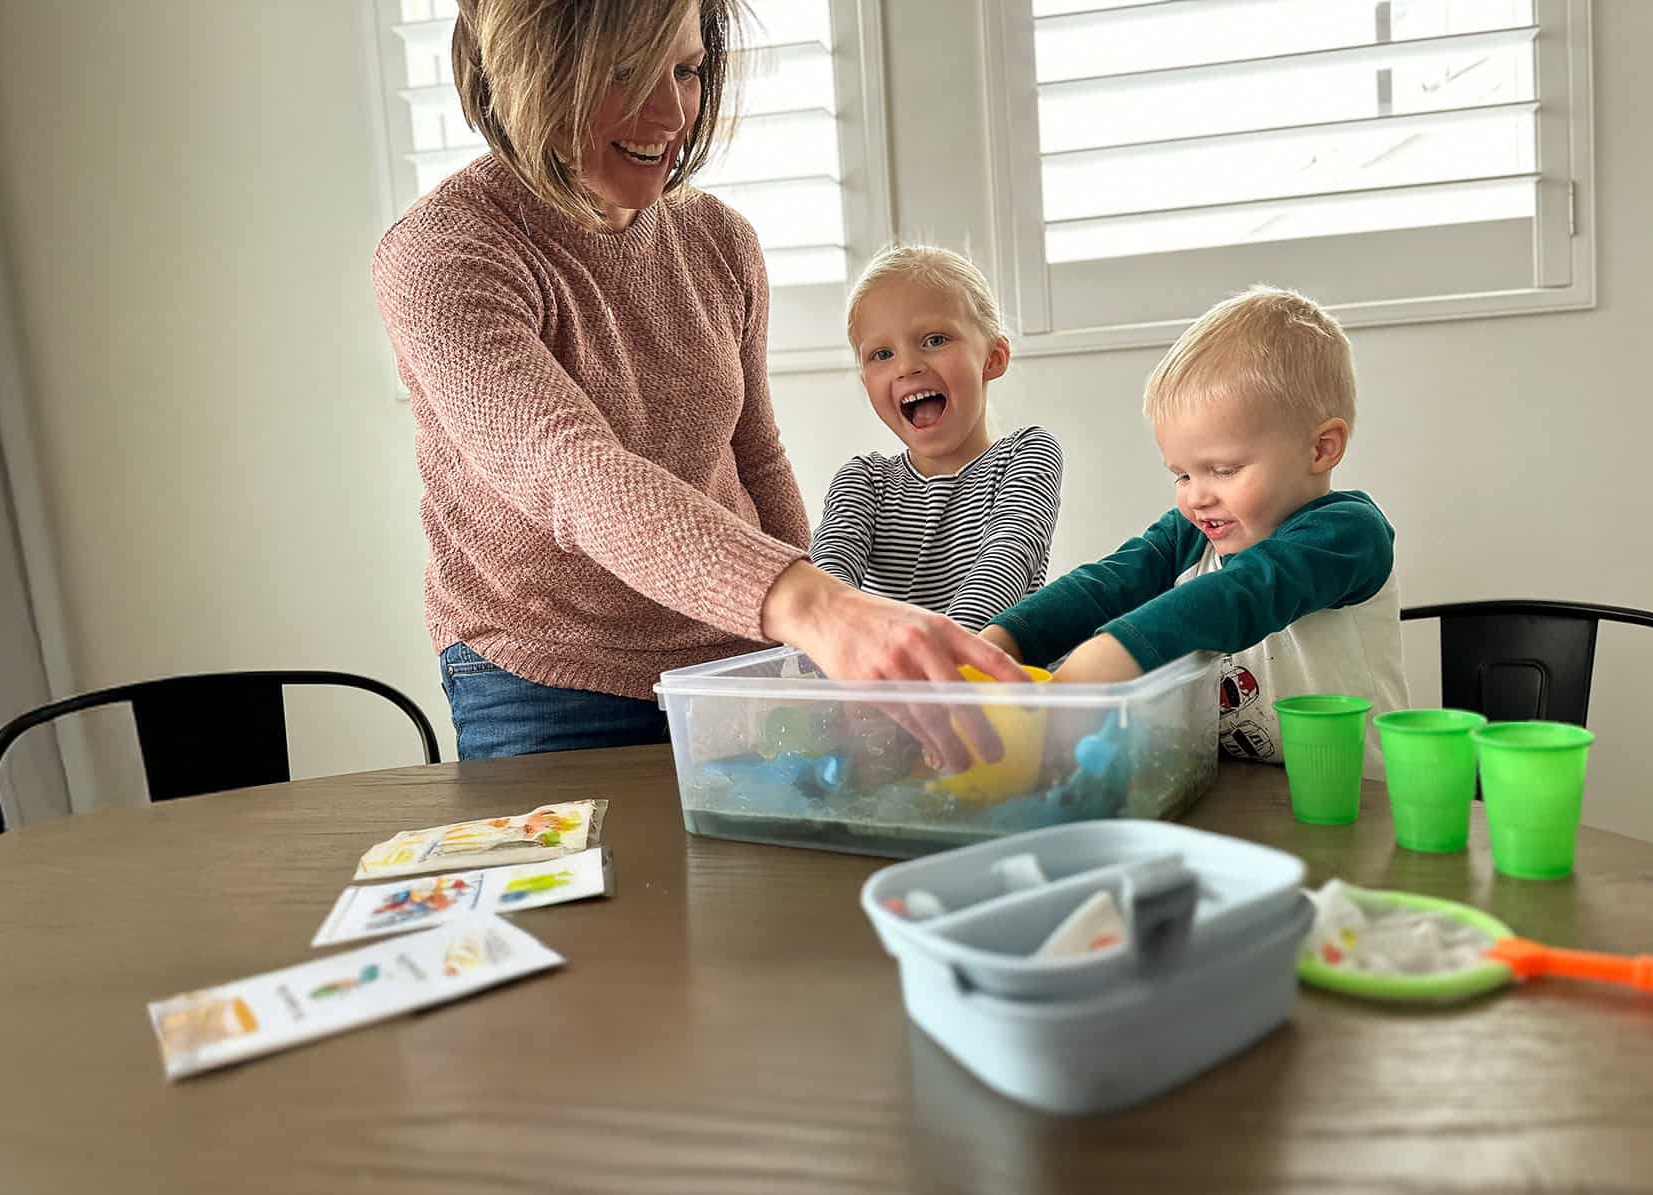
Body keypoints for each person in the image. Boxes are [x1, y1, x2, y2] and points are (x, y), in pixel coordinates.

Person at [375, 0, 1017, 765]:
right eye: (624, 73)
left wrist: (804, 650)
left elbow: (757, 459)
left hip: (729, 663)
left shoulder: (721, 241)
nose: (672, 110)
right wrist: (816, 608)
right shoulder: (443, 253)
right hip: (546, 676)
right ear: (529, 72)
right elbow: (571, 469)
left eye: (686, 69)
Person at [978, 287, 1411, 769]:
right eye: (1182, 474)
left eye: (1223, 470)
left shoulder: (1348, 535)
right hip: (1233, 799)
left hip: (1355, 807)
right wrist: (1002, 642)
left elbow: (1243, 593)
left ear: (1321, 449)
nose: (1196, 496)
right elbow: (1106, 585)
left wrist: (1113, 654)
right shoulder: (1192, 533)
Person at [811, 246, 1063, 632]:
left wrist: (938, 668)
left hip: (987, 680)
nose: (907, 366)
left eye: (934, 340)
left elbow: (1006, 561)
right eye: (881, 354)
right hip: (885, 682)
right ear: (866, 381)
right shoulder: (863, 480)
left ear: (992, 358)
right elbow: (829, 583)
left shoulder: (1026, 453)